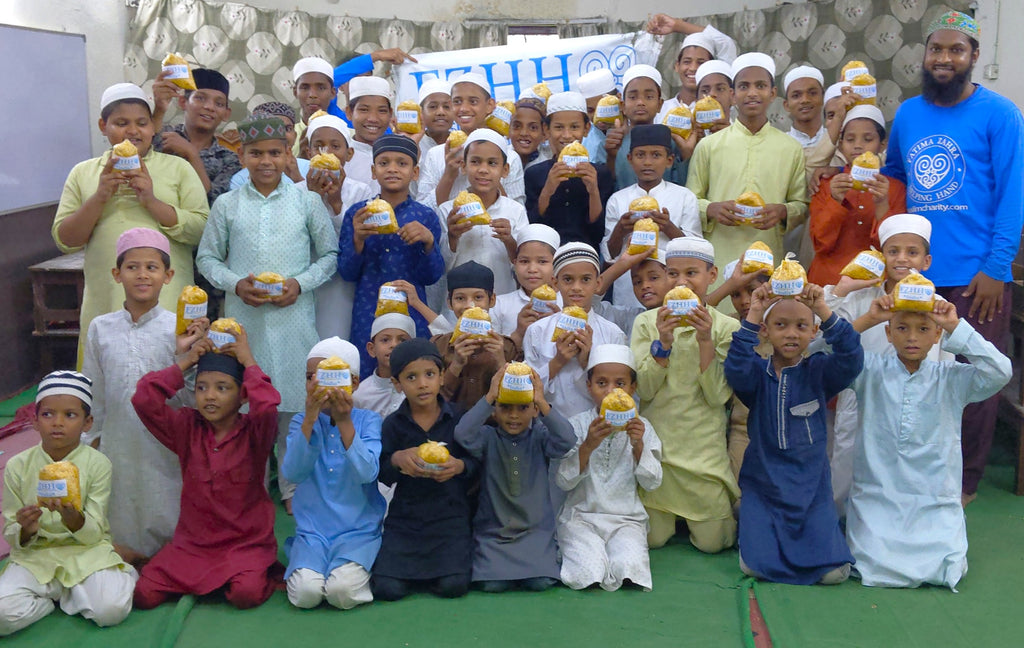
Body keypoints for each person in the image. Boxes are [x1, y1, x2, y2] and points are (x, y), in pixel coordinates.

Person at [881, 10, 1024, 504]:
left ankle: (962, 485)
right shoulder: (909, 114)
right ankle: (917, 474)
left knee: (974, 382)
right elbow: (896, 178)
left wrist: (995, 269)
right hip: (914, 275)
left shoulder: (1000, 114)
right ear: (924, 55)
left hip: (975, 278)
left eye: (955, 50)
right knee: (913, 378)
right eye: (936, 49)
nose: (944, 59)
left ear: (974, 57)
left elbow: (1012, 196)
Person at [197, 115, 337, 507]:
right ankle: (249, 487)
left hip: (294, 321)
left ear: (288, 154)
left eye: (275, 152)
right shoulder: (227, 204)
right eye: (256, 153)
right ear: (241, 156)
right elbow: (207, 258)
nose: (265, 161)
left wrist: (299, 284)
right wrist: (236, 283)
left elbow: (330, 255)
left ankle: (292, 487)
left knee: (292, 406)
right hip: (244, 324)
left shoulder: (306, 201)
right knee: (243, 408)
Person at [845, 298, 1010, 589]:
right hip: (877, 499)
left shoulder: (952, 378)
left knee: (943, 565)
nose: (911, 337)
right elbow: (816, 356)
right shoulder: (867, 369)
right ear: (888, 333)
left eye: (923, 329)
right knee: (870, 560)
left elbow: (1000, 371)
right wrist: (868, 319)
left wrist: (955, 326)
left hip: (934, 500)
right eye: (902, 328)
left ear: (937, 337)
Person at [52, 82, 208, 366]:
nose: (133, 131)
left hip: (168, 295)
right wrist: (100, 196)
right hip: (106, 294)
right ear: (103, 125)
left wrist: (151, 200)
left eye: (141, 123)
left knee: (169, 380)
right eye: (121, 123)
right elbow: (65, 239)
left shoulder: (178, 168)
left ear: (153, 127)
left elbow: (200, 229)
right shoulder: (83, 173)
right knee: (107, 378)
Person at [724, 282, 863, 585]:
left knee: (833, 574)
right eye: (781, 325)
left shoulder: (820, 371)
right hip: (764, 486)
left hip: (811, 489)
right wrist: (755, 311)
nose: (790, 333)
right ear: (766, 331)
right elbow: (735, 368)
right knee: (753, 567)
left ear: (814, 332)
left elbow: (851, 357)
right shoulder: (756, 375)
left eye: (801, 326)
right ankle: (750, 521)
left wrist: (824, 311)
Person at [131, 329, 280, 609]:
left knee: (246, 595)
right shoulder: (186, 427)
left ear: (242, 396)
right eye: (202, 387)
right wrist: (186, 362)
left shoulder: (255, 433)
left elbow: (268, 406)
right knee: (144, 595)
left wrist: (248, 362)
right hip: (194, 546)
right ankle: (212, 577)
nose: (209, 396)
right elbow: (144, 398)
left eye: (222, 388)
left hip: (244, 545)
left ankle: (246, 573)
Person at [823, 213, 948, 515]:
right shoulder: (860, 298)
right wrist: (842, 289)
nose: (902, 259)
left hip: (915, 399)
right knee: (847, 462)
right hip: (862, 396)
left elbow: (944, 360)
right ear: (882, 256)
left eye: (912, 252)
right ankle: (835, 521)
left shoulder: (937, 303)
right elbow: (822, 335)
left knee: (907, 465)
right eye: (893, 251)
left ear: (926, 261)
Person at [81, 228, 192, 564]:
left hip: (166, 441)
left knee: (167, 499)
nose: (142, 274)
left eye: (152, 267)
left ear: (168, 275)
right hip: (118, 438)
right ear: (117, 274)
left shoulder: (180, 328)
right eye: (132, 267)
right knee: (121, 505)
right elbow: (94, 389)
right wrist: (93, 437)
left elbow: (190, 393)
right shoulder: (101, 327)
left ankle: (171, 558)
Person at [0, 371, 135, 636]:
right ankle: (52, 602)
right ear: (35, 421)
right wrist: (26, 530)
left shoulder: (98, 464)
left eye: (70, 415)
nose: (57, 423)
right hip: (35, 556)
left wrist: (76, 520)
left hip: (85, 553)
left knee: (111, 610)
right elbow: (11, 531)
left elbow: (95, 531)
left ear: (88, 422)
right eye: (48, 414)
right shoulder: (17, 466)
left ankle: (118, 575)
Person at [630, 237, 740, 552]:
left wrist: (705, 339)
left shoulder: (725, 326)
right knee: (652, 540)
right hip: (659, 452)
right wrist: (663, 342)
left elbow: (718, 397)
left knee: (713, 544)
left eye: (692, 273)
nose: (682, 282)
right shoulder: (647, 323)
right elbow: (646, 390)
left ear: (712, 275)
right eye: (673, 274)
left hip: (703, 454)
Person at [686, 53, 808, 307]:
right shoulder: (708, 146)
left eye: (760, 86)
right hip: (719, 257)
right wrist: (712, 208)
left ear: (773, 93)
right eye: (744, 86)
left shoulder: (790, 147)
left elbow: (802, 204)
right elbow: (689, 200)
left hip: (769, 256)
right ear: (732, 94)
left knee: (765, 325)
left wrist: (782, 211)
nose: (752, 93)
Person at [371, 339, 478, 601]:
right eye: (411, 377)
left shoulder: (460, 418)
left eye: (430, 374)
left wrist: (459, 465)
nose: (422, 384)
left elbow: (478, 462)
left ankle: (437, 570)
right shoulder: (393, 424)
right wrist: (397, 459)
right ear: (397, 384)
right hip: (406, 519)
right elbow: (381, 471)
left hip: (450, 518)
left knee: (454, 586)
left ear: (442, 377)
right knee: (387, 589)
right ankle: (413, 571)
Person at [283, 338, 386, 609]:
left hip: (358, 531)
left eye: (329, 377)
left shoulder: (368, 421)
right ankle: (305, 558)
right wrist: (308, 419)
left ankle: (360, 564)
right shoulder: (301, 421)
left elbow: (368, 472)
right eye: (310, 377)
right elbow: (292, 472)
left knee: (341, 592)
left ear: (353, 383)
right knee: (306, 594)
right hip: (313, 532)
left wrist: (344, 422)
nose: (318, 384)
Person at [454, 365, 575, 592]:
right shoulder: (488, 438)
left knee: (540, 583)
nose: (513, 415)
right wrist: (489, 395)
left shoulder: (539, 437)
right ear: (494, 410)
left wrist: (541, 400)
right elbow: (462, 434)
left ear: (534, 410)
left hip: (535, 532)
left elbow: (567, 440)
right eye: (505, 407)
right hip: (495, 534)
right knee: (492, 585)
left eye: (523, 408)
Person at [556, 344, 663, 591]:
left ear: (632, 388)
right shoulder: (577, 425)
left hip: (626, 519)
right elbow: (564, 481)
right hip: (581, 517)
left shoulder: (642, 426)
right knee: (587, 572)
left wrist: (638, 444)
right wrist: (588, 445)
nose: (611, 391)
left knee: (630, 569)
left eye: (620, 384)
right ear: (589, 386)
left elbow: (652, 482)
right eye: (602, 383)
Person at [338, 135, 444, 378]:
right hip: (369, 310)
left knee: (414, 374)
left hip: (413, 312)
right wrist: (358, 240)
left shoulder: (425, 216)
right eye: (384, 163)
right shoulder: (359, 213)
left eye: (402, 163)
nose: (393, 169)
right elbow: (346, 272)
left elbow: (432, 276)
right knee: (368, 372)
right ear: (373, 171)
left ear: (415, 172)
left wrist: (428, 242)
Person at [523, 243, 627, 420]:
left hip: (596, 427)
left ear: (598, 283)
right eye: (568, 279)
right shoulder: (537, 330)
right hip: (549, 428)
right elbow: (526, 389)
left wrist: (587, 362)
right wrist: (557, 361)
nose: (576, 287)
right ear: (555, 283)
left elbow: (619, 391)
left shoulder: (612, 334)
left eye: (585, 279)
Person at [603, 124, 701, 308]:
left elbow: (695, 251)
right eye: (640, 155)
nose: (647, 162)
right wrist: (620, 231)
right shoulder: (618, 199)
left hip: (673, 291)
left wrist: (669, 228)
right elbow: (609, 257)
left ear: (669, 160)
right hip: (628, 292)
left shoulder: (684, 196)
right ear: (630, 159)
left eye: (656, 155)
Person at [808, 105, 906, 286]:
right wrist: (835, 200)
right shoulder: (826, 183)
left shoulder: (895, 188)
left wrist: (882, 203)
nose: (858, 146)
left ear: (882, 144)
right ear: (840, 144)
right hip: (828, 283)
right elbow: (820, 244)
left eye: (868, 139)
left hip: (876, 285)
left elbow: (896, 248)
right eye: (850, 139)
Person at [301, 112, 375, 341]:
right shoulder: (294, 191)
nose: (327, 153)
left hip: (341, 285)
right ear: (308, 152)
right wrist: (313, 198)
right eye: (319, 147)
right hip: (303, 278)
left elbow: (356, 241)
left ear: (349, 153)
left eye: (335, 146)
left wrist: (336, 204)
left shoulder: (361, 191)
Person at [438, 128, 528, 295]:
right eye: (476, 161)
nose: (483, 170)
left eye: (492, 163)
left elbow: (525, 266)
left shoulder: (515, 211)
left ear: (505, 170)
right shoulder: (448, 211)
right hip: (459, 306)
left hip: (501, 301)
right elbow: (440, 268)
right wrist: (452, 237)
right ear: (463, 167)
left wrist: (509, 241)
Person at [417, 73, 526, 209]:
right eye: (457, 102)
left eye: (473, 101)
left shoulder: (509, 156)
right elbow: (425, 211)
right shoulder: (436, 154)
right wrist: (449, 174)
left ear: (490, 105)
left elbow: (517, 213)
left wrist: (490, 169)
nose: (464, 108)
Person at [706, 259, 772, 483]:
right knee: (739, 496)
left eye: (752, 291)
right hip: (740, 428)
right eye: (735, 294)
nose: (745, 301)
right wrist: (728, 286)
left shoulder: (786, 323)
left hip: (780, 428)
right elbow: (693, 311)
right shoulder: (727, 324)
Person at [525, 91, 614, 249]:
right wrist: (548, 189)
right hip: (547, 256)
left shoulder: (600, 174)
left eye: (574, 127)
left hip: (586, 254)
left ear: (586, 129)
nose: (567, 135)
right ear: (546, 130)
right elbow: (533, 226)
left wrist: (593, 190)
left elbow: (599, 232)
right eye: (559, 127)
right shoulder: (534, 174)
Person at [431, 262, 519, 411]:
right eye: (460, 298)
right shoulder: (438, 346)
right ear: (449, 303)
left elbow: (516, 401)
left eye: (478, 297)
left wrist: (500, 361)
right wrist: (456, 364)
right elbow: (432, 400)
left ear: (492, 300)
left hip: (493, 427)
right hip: (448, 426)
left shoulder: (508, 347)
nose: (469, 306)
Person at [152, 68, 240, 205]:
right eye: (200, 98)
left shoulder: (229, 159)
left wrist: (192, 154)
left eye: (219, 103)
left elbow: (216, 206)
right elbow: (143, 159)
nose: (210, 107)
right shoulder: (166, 135)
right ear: (183, 102)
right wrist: (159, 109)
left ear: (226, 114)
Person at [604, 65, 692, 190]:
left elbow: (681, 185)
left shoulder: (670, 140)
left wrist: (686, 154)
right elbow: (608, 185)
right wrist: (611, 156)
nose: (640, 102)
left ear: (659, 104)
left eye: (649, 97)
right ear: (622, 106)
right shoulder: (614, 141)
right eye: (633, 97)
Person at [646, 14, 738, 110]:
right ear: (677, 66)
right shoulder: (661, 109)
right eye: (687, 62)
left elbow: (725, 43)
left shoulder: (719, 106)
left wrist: (677, 25)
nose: (693, 68)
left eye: (701, 63)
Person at [229, 102, 311, 190]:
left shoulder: (309, 168)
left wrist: (298, 179)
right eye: (256, 153)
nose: (281, 134)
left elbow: (314, 202)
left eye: (287, 128)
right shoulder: (240, 179)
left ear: (295, 136)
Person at [353, 313, 416, 419]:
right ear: (372, 349)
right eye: (385, 340)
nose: (394, 345)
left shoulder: (421, 388)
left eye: (402, 340)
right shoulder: (360, 396)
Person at [345, 76, 394, 192]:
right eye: (364, 110)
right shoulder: (342, 156)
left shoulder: (398, 153)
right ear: (349, 113)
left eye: (381, 111)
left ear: (390, 114)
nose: (373, 118)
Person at [291, 57, 339, 157]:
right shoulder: (287, 135)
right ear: (295, 92)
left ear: (333, 93)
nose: (312, 94)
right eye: (305, 87)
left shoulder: (348, 135)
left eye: (321, 88)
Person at [576, 68, 619, 165]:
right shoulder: (582, 139)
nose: (598, 117)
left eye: (602, 109)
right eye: (590, 110)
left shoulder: (632, 129)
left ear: (619, 100)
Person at [783, 66, 827, 153]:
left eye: (812, 93)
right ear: (787, 105)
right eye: (796, 95)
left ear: (823, 98)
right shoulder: (778, 145)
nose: (805, 100)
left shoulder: (837, 141)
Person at [416, 79, 454, 161]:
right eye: (433, 107)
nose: (441, 112)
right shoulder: (415, 142)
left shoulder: (462, 144)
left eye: (446, 107)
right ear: (421, 112)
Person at [510, 97, 551, 171]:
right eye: (517, 126)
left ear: (544, 134)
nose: (524, 133)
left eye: (533, 128)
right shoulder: (500, 157)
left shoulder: (550, 163)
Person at [694, 61, 734, 134]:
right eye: (705, 91)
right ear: (696, 100)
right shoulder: (686, 134)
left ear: (732, 96)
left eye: (720, 89)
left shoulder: (741, 135)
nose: (712, 94)